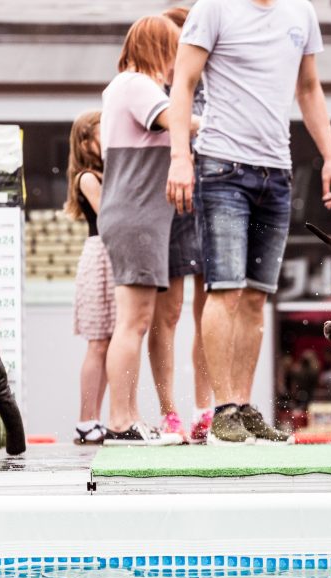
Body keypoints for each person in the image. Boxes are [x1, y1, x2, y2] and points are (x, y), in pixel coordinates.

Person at [166, 0, 331, 443]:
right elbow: (182, 83)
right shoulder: (213, 9)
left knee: (255, 298)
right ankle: (222, 406)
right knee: (225, 289)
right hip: (222, 167)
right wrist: (179, 158)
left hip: (277, 172)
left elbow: (309, 88)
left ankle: (243, 406)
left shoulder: (301, 12)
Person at [98, 15, 193, 445]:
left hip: (136, 218)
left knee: (134, 321)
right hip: (137, 218)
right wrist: (214, 123)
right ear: (159, 47)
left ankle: (130, 416)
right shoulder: (137, 85)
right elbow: (176, 120)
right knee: (133, 322)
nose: (179, 61)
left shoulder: (123, 87)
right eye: (174, 49)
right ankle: (121, 420)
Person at [145, 5, 213, 444]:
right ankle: (169, 413)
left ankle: (207, 410)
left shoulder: (213, 80)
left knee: (211, 311)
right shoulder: (150, 87)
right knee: (167, 312)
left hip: (215, 199)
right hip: (169, 200)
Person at [65, 110, 113, 445]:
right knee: (98, 343)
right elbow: (109, 216)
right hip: (101, 256)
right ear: (86, 141)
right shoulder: (87, 177)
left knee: (109, 344)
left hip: (111, 256)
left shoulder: (106, 173)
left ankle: (95, 417)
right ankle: (86, 419)